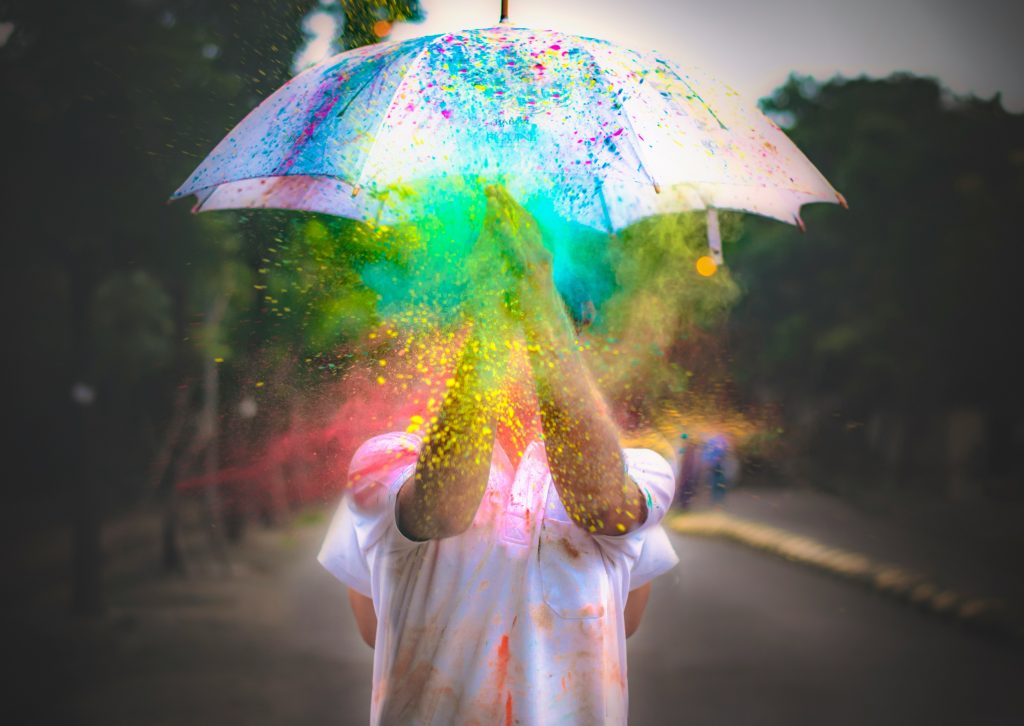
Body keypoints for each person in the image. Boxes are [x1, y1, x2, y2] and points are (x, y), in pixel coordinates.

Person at [318, 187, 678, 724]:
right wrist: (509, 301)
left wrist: (527, 290)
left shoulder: (640, 468)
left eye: (541, 316)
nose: (520, 330)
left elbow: (604, 507)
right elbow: (438, 510)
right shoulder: (385, 462)